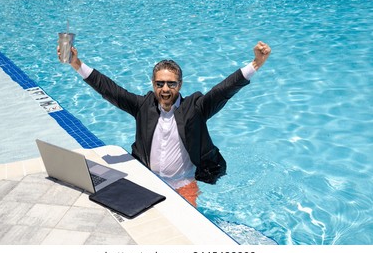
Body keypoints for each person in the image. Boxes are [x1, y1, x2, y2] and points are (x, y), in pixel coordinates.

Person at [57, 41, 271, 207]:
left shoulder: (195, 108)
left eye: (171, 84)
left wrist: (255, 64)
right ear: (153, 84)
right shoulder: (143, 106)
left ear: (180, 84)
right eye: (160, 84)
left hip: (184, 184)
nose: (165, 89)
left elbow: (222, 90)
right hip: (148, 182)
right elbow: (110, 90)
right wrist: (76, 64)